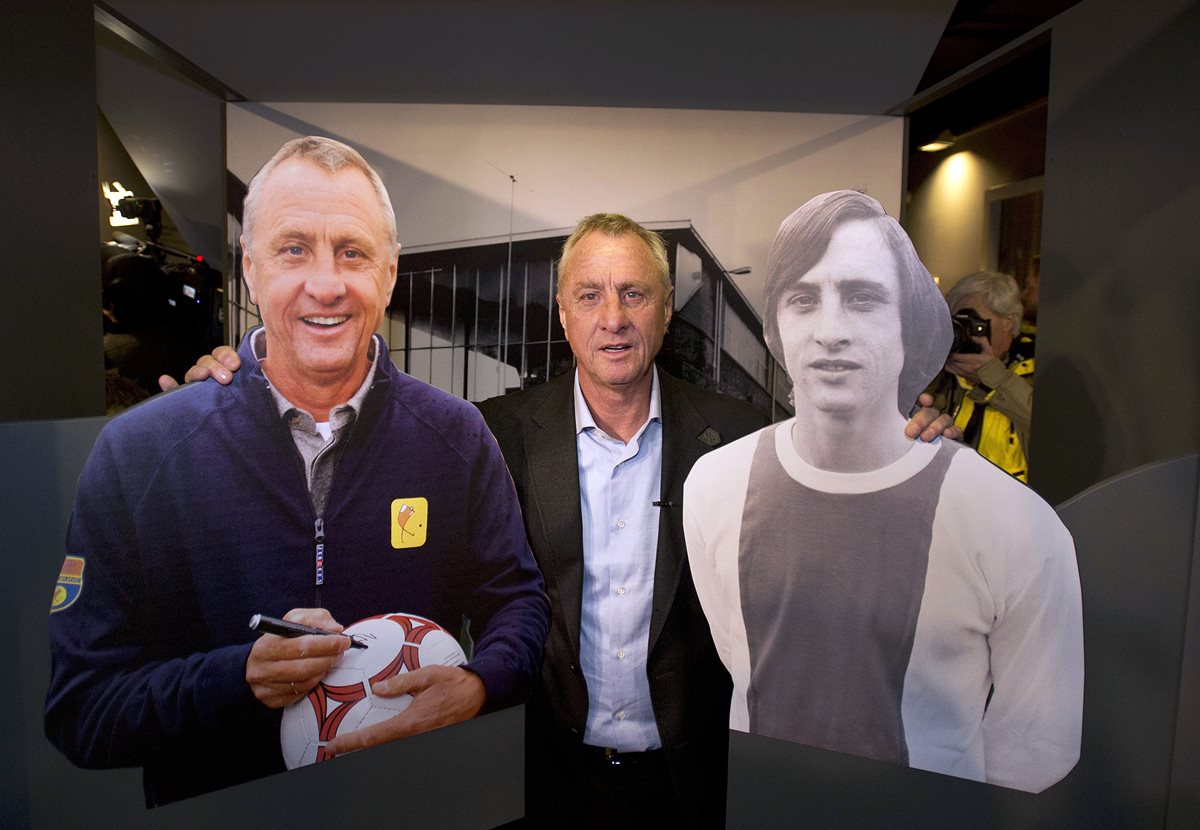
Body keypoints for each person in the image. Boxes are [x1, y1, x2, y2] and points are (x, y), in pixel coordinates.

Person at [180, 212, 958, 826]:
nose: (612, 318)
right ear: (562, 313)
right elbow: (346, 439)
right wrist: (246, 387)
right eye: (590, 295)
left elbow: (843, 489)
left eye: (634, 294)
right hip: (537, 775)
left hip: (693, 782)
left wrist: (910, 433)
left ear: (664, 310)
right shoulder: (487, 434)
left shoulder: (747, 438)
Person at [45, 136, 549, 808]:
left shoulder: (456, 436)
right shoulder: (139, 454)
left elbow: (517, 599)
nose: (326, 283)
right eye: (293, 249)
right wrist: (236, 678)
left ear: (390, 270)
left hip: (413, 806)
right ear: (249, 268)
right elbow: (82, 710)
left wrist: (483, 681)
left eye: (352, 251)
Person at [684, 191, 1083, 794]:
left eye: (863, 298)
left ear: (910, 325)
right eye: (803, 298)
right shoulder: (714, 486)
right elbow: (740, 661)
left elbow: (1037, 743)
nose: (831, 331)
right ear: (776, 328)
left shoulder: (1013, 522)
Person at [928, 270, 1035, 480]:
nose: (965, 332)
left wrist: (993, 376)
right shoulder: (943, 373)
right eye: (958, 322)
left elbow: (1053, 431)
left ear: (1009, 322)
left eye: (974, 324)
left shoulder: (1035, 367)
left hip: (1014, 501)